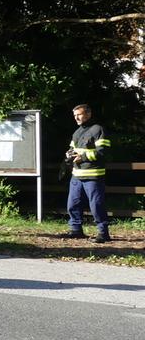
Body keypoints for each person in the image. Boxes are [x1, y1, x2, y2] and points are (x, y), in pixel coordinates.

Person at [64, 104, 111, 243]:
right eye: (75, 115)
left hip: (93, 175)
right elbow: (72, 149)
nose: (76, 118)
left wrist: (83, 157)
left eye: (79, 114)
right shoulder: (77, 132)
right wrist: (69, 155)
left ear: (88, 114)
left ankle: (103, 233)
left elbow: (103, 152)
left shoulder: (98, 129)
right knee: (72, 204)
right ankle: (76, 230)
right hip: (77, 175)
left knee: (96, 205)